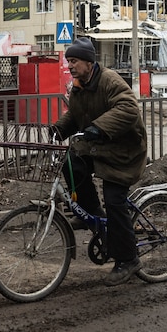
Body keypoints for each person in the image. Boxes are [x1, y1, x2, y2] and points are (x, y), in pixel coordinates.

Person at [52, 37, 148, 287]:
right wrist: (57, 130)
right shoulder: (79, 86)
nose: (70, 66)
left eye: (74, 61)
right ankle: (91, 212)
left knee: (115, 200)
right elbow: (75, 115)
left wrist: (98, 127)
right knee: (72, 161)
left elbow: (128, 109)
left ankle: (128, 260)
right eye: (68, 61)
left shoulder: (110, 80)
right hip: (100, 146)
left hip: (124, 151)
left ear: (88, 62)